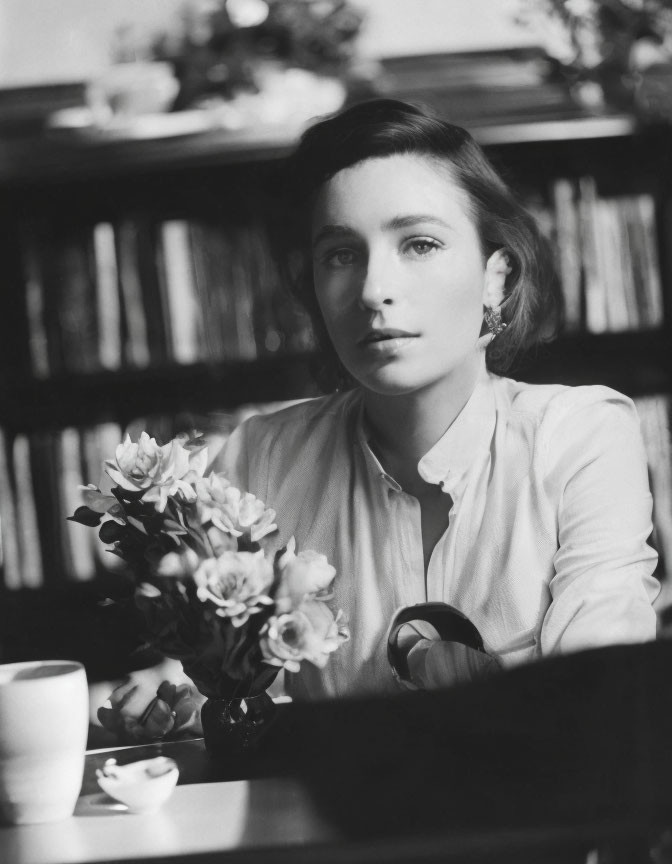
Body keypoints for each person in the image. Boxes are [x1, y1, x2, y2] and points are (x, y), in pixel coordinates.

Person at [98, 98, 660, 736]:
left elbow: (605, 699)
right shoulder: (259, 457)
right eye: (341, 254)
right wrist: (180, 706)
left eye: (419, 244)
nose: (371, 289)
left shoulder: (580, 434)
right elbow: (221, 687)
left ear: (495, 278)